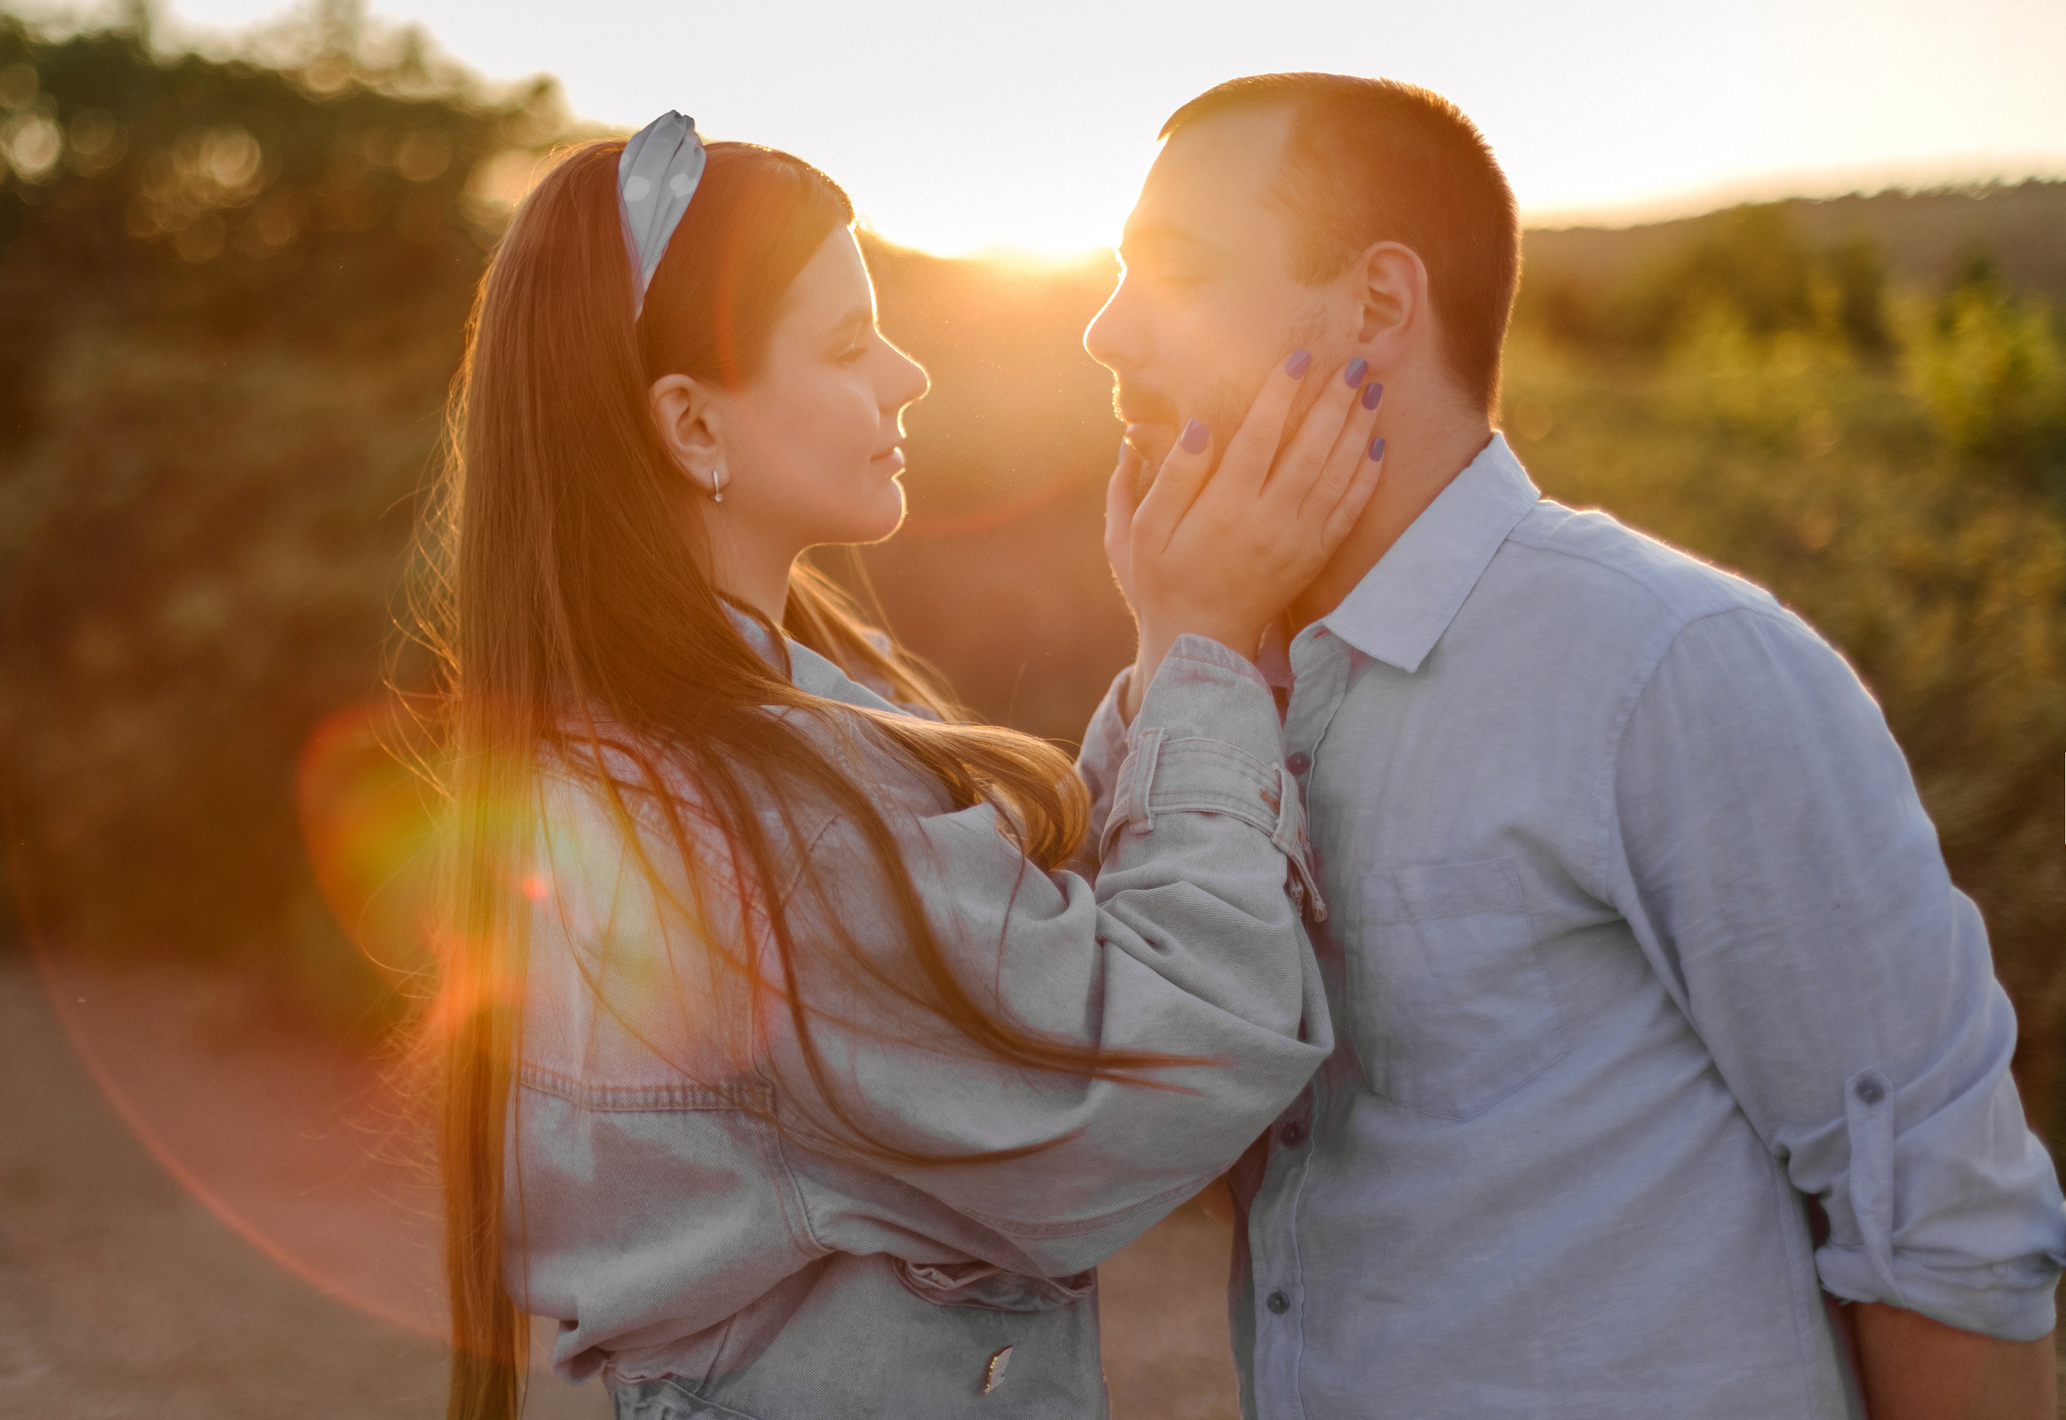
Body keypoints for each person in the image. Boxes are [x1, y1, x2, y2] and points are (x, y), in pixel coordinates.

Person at [1082, 72, 2066, 1419]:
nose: (1104, 331)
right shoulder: (1182, 694)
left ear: (1376, 305)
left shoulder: (1670, 664)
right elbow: (1134, 1139)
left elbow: (1942, 1229)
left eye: (1171, 273)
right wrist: (1175, 655)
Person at [414, 113, 1387, 1420]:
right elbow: (1163, 1062)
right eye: (845, 343)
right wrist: (1207, 647)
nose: (907, 374)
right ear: (692, 421)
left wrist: (1170, 653)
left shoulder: (636, 746)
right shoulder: (762, 799)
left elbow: (1014, 959)